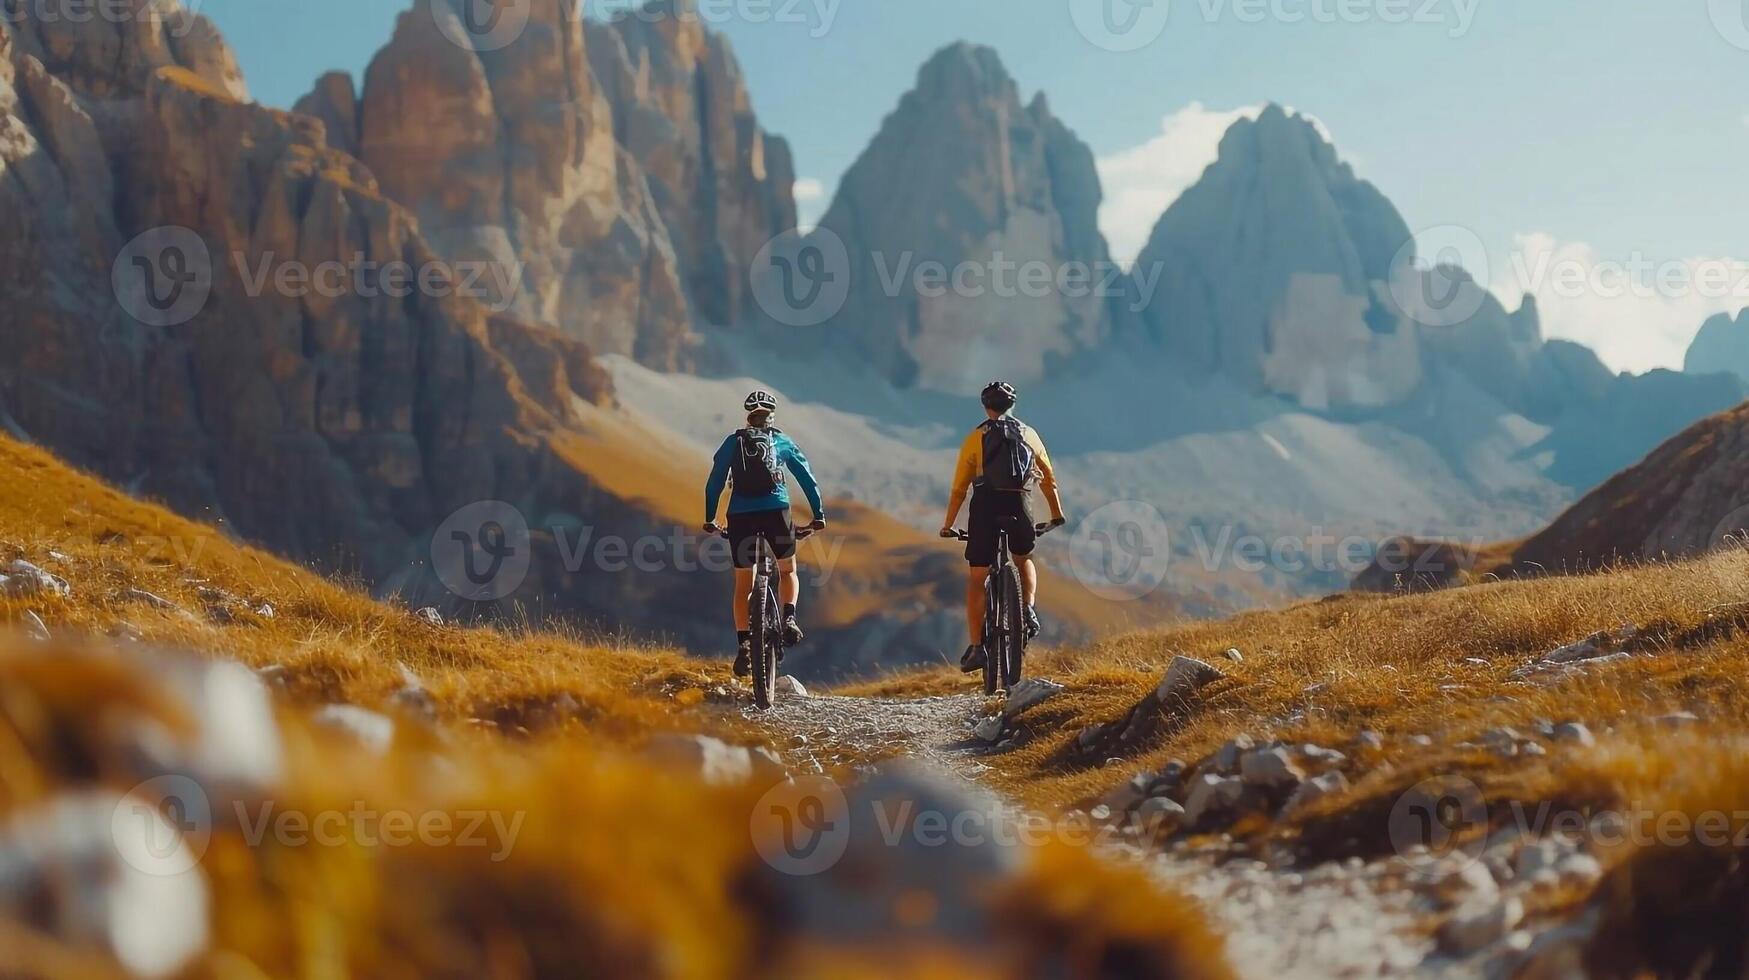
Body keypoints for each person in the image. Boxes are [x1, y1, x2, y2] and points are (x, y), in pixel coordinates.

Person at [939, 381, 1066, 673]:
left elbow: (959, 488)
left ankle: (975, 648)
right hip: (1021, 503)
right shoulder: (1029, 435)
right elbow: (1048, 478)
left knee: (977, 577)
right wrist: (1056, 514)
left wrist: (948, 525)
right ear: (1012, 406)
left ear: (986, 406)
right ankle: (1028, 607)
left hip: (986, 506)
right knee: (1024, 558)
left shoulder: (976, 437)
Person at [704, 390, 826, 677]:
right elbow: (807, 479)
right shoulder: (781, 441)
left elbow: (714, 482)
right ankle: (790, 618)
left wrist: (710, 518)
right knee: (787, 571)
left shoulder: (733, 442)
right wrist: (818, 515)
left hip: (740, 516)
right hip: (776, 511)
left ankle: (744, 643)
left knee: (743, 585)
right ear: (771, 417)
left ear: (747, 417)